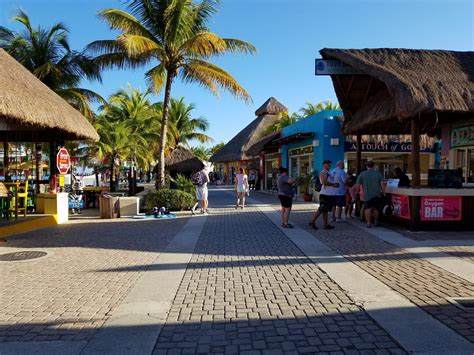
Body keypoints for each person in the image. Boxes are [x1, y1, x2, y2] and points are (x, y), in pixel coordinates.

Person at [309, 160, 339, 230]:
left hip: (329, 194)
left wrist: (334, 184)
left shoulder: (328, 172)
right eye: (327, 164)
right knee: (321, 209)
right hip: (325, 194)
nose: (329, 165)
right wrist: (333, 184)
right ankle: (312, 221)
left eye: (329, 164)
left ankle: (325, 224)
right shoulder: (323, 172)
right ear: (324, 165)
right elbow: (324, 182)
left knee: (325, 210)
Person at [356, 161, 385, 228]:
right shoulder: (378, 173)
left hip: (367, 194)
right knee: (376, 209)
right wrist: (384, 192)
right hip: (377, 194)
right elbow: (382, 184)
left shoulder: (362, 174)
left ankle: (368, 223)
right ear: (373, 166)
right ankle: (376, 221)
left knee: (367, 209)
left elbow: (358, 184)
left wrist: (357, 191)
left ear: (367, 166)